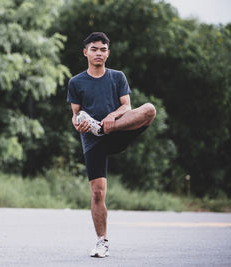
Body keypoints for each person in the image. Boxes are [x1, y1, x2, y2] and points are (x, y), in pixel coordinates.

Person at [67, 32, 156, 258]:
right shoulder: (76, 82)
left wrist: (110, 119)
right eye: (94, 49)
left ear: (108, 53)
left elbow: (126, 107)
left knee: (149, 110)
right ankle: (101, 242)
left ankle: (103, 126)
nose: (99, 53)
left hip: (116, 131)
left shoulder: (117, 77)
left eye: (103, 49)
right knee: (97, 194)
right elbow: (76, 114)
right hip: (93, 140)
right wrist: (78, 125)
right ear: (85, 52)